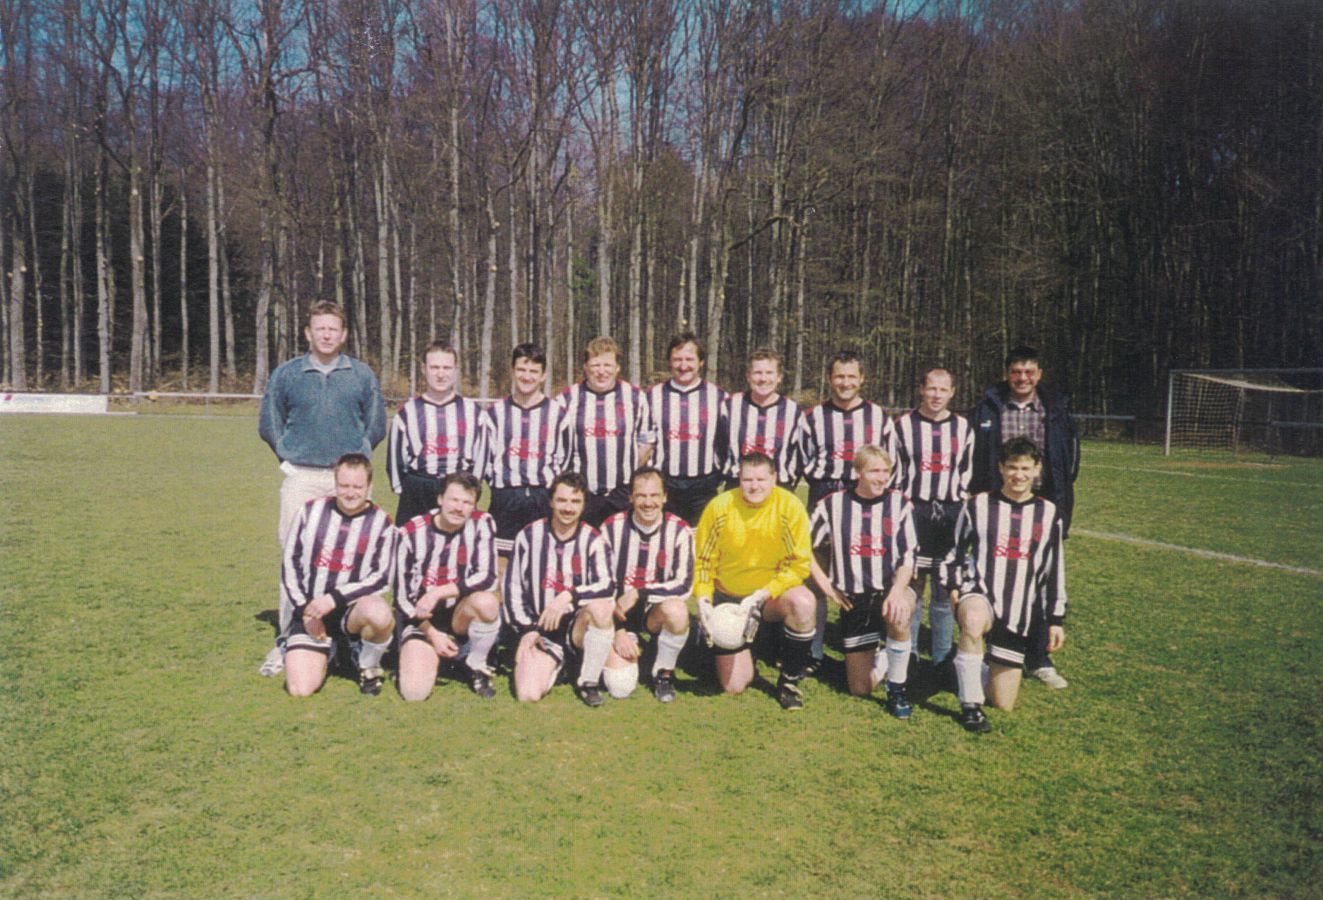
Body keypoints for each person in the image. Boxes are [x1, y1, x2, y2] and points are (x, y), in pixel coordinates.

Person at [258, 300, 387, 676]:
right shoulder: (287, 374)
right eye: (320, 328)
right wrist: (288, 455)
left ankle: (352, 638)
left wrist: (356, 460)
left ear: (343, 334)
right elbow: (269, 422)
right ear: (308, 333)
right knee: (294, 558)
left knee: (356, 559)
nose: (327, 335)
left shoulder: (361, 374)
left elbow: (376, 424)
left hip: (348, 482)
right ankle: (289, 637)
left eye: (333, 329)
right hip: (302, 476)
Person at [970, 345, 1079, 689]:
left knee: (1039, 578)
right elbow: (975, 456)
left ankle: (1038, 656)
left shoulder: (1055, 409)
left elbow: (1070, 457)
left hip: (1042, 502)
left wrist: (1060, 497)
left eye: (1029, 372)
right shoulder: (988, 408)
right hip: (998, 504)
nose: (1022, 378)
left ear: (1039, 375)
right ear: (1007, 374)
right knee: (997, 576)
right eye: (1016, 372)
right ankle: (994, 648)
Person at [945, 438, 1068, 732]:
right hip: (980, 594)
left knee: (1003, 702)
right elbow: (955, 552)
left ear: (1037, 469)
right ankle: (970, 706)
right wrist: (954, 587)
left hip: (1018, 610)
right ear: (1001, 468)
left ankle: (964, 667)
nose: (1018, 475)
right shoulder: (978, 505)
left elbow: (1054, 568)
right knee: (974, 620)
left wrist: (1055, 619)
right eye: (1012, 467)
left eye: (1025, 468)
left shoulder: (1048, 513)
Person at [796, 350, 896, 670]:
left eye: (852, 376)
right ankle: (814, 651)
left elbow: (889, 463)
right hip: (824, 493)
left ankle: (866, 642)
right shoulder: (813, 417)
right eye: (839, 376)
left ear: (862, 379)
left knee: (865, 572)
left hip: (864, 499)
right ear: (829, 379)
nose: (845, 382)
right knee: (818, 574)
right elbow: (803, 459)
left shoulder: (878, 417)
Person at [693, 452, 815, 711]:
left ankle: (790, 681)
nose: (754, 486)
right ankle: (746, 644)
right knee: (734, 686)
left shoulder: (790, 506)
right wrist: (703, 597)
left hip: (767, 599)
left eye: (761, 479)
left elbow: (799, 565)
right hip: (728, 598)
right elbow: (703, 561)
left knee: (803, 602)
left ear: (774, 478)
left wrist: (763, 594)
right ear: (739, 479)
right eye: (748, 479)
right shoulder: (720, 506)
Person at [808, 445, 918, 718]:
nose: (882, 478)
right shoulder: (832, 505)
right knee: (860, 688)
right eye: (874, 471)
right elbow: (802, 547)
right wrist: (827, 586)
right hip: (854, 599)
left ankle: (897, 688)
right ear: (858, 472)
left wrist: (898, 591)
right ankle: (887, 656)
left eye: (886, 471)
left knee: (900, 611)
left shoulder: (900, 504)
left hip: (889, 591)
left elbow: (908, 557)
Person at [279, 453, 395, 698]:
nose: (350, 493)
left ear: (369, 486)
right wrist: (305, 610)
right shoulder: (310, 511)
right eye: (344, 486)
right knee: (300, 689)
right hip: (310, 612)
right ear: (335, 484)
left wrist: (334, 599)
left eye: (357, 487)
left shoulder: (383, 523)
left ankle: (366, 662)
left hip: (350, 614)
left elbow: (382, 577)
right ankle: (332, 653)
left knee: (379, 613)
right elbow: (290, 562)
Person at [503, 471, 617, 706]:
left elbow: (607, 585)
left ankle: (588, 681)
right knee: (527, 694)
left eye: (575, 501)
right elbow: (512, 589)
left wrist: (569, 596)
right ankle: (562, 664)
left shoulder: (593, 539)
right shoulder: (529, 536)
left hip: (578, 628)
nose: (568, 508)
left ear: (584, 505)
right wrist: (528, 630)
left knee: (602, 610)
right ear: (551, 501)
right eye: (562, 500)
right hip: (542, 630)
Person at [890, 367, 974, 675]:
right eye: (931, 388)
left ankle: (941, 656)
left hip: (950, 514)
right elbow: (895, 472)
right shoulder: (902, 426)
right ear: (921, 390)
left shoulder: (963, 428)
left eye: (943, 389)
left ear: (952, 392)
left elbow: (965, 472)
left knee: (945, 584)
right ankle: (910, 652)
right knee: (913, 582)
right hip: (915, 511)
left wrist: (959, 506)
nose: (936, 395)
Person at [394, 472, 501, 701]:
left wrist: (438, 592)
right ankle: (432, 658)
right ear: (440, 499)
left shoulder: (482, 523)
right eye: (454, 500)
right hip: (423, 622)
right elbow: (402, 599)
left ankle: (476, 664)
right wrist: (432, 634)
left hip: (460, 618)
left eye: (467, 502)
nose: (459, 508)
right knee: (414, 693)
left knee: (487, 602)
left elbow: (488, 577)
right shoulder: (411, 532)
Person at [598, 467, 695, 703]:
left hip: (655, 613)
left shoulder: (680, 530)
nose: (648, 503)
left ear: (665, 497)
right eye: (641, 496)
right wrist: (618, 630)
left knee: (677, 611)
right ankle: (630, 647)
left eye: (654, 495)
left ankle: (663, 672)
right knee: (620, 688)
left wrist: (640, 593)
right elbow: (600, 585)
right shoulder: (611, 528)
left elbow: (684, 585)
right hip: (618, 615)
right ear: (631, 498)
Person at [477, 343, 568, 561]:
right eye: (521, 370)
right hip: (506, 499)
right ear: (512, 371)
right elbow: (485, 460)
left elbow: (565, 460)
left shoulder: (558, 415)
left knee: (543, 562)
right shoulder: (494, 414)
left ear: (543, 376)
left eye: (534, 371)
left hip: (543, 498)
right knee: (501, 564)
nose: (527, 377)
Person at [558, 337, 655, 528]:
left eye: (607, 365)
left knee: (622, 543)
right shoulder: (567, 399)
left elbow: (646, 441)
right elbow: (558, 447)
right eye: (595, 365)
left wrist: (628, 471)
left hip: (622, 493)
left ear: (617, 367)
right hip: (581, 493)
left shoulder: (635, 397)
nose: (601, 371)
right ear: (585, 367)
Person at [387, 342, 486, 526]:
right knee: (412, 543)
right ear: (424, 369)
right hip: (418, 492)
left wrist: (469, 491)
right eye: (434, 367)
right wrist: (410, 490)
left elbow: (480, 461)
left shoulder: (473, 412)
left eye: (446, 368)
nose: (441, 374)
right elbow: (396, 464)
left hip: (459, 490)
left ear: (455, 370)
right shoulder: (407, 413)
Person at [647, 332, 728, 526]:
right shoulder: (651, 397)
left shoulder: (719, 398)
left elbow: (726, 443)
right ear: (669, 362)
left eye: (689, 359)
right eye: (677, 359)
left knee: (701, 539)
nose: (683, 366)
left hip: (703, 487)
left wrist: (717, 475)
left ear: (701, 362)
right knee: (665, 539)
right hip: (664, 485)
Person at [718, 350, 803, 489]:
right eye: (757, 373)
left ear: (779, 377)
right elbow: (719, 446)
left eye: (769, 373)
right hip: (737, 486)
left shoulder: (794, 412)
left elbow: (799, 457)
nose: (763, 378)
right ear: (748, 376)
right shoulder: (730, 406)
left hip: (778, 487)